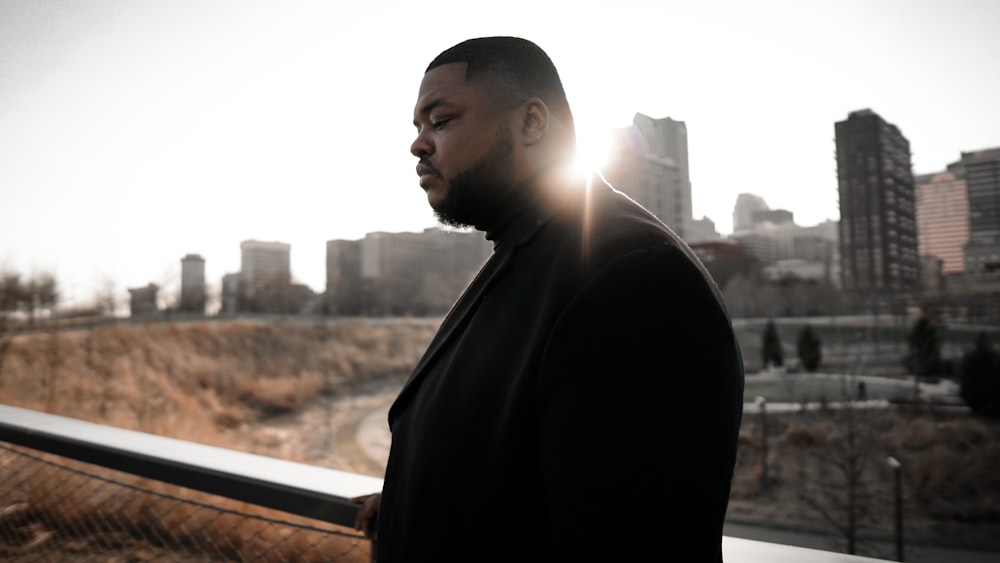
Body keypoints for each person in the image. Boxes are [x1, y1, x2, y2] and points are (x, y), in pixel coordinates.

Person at [351, 36, 744, 562]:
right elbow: (516, 466)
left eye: (440, 121)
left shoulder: (628, 274)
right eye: (418, 128)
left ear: (532, 123)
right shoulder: (528, 254)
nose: (419, 145)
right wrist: (410, 500)